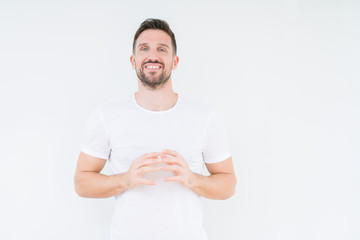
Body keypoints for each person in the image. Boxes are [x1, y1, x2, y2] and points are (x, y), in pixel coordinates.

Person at [74, 18, 236, 240]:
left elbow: (228, 185)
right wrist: (124, 180)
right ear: (133, 60)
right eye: (144, 49)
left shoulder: (205, 117)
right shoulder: (107, 115)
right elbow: (82, 183)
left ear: (175, 61)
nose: (152, 56)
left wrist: (193, 180)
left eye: (162, 49)